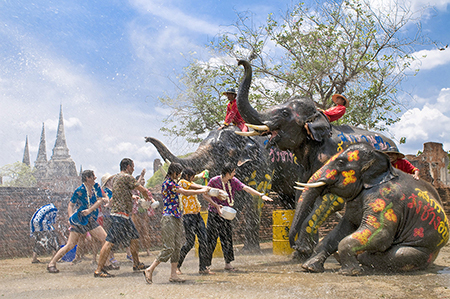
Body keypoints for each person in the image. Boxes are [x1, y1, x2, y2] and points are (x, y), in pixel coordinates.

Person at [143, 163, 211, 284]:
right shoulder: (168, 183)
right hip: (169, 218)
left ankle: (173, 274)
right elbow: (185, 192)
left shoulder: (173, 182)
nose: (180, 175)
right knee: (168, 248)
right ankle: (150, 269)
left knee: (176, 248)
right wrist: (202, 190)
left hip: (177, 217)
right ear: (174, 173)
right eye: (179, 173)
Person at [203, 162, 273, 272]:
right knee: (211, 239)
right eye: (233, 172)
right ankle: (205, 266)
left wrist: (261, 195)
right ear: (227, 173)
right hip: (214, 213)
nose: (235, 174)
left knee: (227, 239)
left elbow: (246, 188)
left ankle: (228, 263)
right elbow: (204, 194)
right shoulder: (214, 181)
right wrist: (216, 205)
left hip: (226, 214)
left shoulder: (233, 181)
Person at [95, 158, 156, 278]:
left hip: (123, 215)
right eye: (132, 166)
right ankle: (98, 269)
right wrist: (150, 200)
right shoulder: (127, 177)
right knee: (109, 242)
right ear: (127, 166)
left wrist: (132, 197)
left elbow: (120, 193)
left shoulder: (118, 177)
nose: (133, 169)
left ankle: (136, 263)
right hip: (120, 215)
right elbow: (142, 189)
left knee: (134, 238)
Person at [47, 170, 108, 273]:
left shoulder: (96, 187)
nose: (95, 178)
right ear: (87, 178)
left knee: (105, 239)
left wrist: (105, 200)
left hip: (91, 219)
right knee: (70, 245)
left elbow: (102, 198)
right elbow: (71, 204)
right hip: (80, 219)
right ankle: (51, 263)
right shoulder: (79, 190)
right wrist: (70, 217)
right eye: (93, 176)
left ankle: (104, 264)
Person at [176, 168, 221, 275]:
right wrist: (205, 187)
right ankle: (177, 266)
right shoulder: (182, 183)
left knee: (204, 241)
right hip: (188, 217)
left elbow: (196, 185)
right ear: (187, 176)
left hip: (197, 216)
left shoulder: (190, 182)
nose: (192, 179)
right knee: (190, 242)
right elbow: (194, 187)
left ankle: (203, 268)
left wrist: (206, 187)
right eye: (191, 177)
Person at [131, 169, 154, 257]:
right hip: (136, 213)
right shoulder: (135, 190)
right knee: (136, 232)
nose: (143, 181)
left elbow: (151, 199)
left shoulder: (146, 191)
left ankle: (148, 250)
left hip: (144, 213)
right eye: (142, 180)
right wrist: (141, 175)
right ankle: (136, 251)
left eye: (144, 180)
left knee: (146, 231)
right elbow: (135, 185)